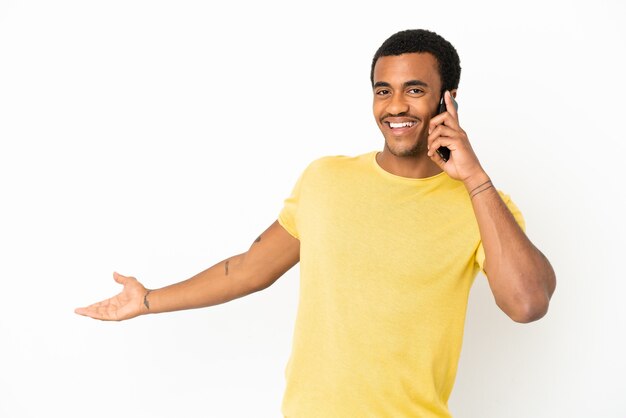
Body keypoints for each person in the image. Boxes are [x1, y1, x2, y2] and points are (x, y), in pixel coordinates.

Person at [76, 29, 556, 417]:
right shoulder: (327, 179)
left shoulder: (481, 204)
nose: (395, 106)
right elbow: (249, 270)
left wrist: (473, 175)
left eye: (415, 90)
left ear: (447, 100)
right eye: (383, 91)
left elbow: (527, 302)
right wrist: (147, 300)